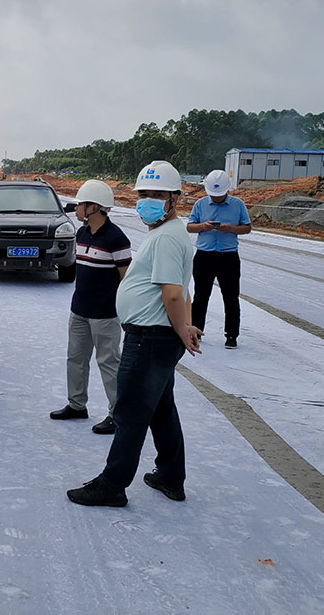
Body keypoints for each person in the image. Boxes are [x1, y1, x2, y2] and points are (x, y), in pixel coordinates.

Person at [67, 160, 202, 507]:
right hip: (156, 336)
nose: (146, 201)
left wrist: (181, 329)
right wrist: (184, 326)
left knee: (129, 412)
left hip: (150, 338)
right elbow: (182, 290)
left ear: (175, 199)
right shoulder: (167, 232)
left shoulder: (167, 237)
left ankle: (112, 485)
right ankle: (170, 475)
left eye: (156, 195)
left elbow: (173, 294)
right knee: (160, 409)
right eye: (143, 194)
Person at [50, 180, 131, 435]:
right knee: (75, 358)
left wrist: (125, 311)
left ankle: (118, 415)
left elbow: (126, 279)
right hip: (79, 310)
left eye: (80, 205)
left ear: (93, 207)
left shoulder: (116, 239)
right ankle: (77, 405)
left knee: (109, 363)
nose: (76, 209)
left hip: (105, 314)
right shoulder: (82, 233)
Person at [187, 169, 251, 349]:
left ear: (227, 190)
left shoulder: (238, 205)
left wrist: (231, 229)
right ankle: (196, 332)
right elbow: (190, 226)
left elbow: (247, 227)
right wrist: (203, 226)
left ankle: (231, 335)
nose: (216, 198)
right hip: (204, 256)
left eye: (219, 195)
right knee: (200, 296)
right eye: (213, 195)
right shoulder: (200, 204)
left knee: (231, 297)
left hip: (228, 257)